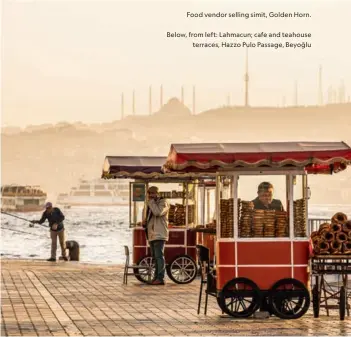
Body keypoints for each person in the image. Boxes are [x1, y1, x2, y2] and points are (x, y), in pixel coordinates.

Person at [142, 186, 169, 285]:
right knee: (155, 257)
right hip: (151, 234)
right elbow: (148, 216)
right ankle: (156, 277)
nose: (151, 195)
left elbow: (157, 212)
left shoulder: (163, 202)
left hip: (159, 233)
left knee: (159, 256)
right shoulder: (150, 204)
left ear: (157, 193)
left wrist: (151, 202)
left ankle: (161, 278)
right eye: (149, 193)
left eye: (153, 193)